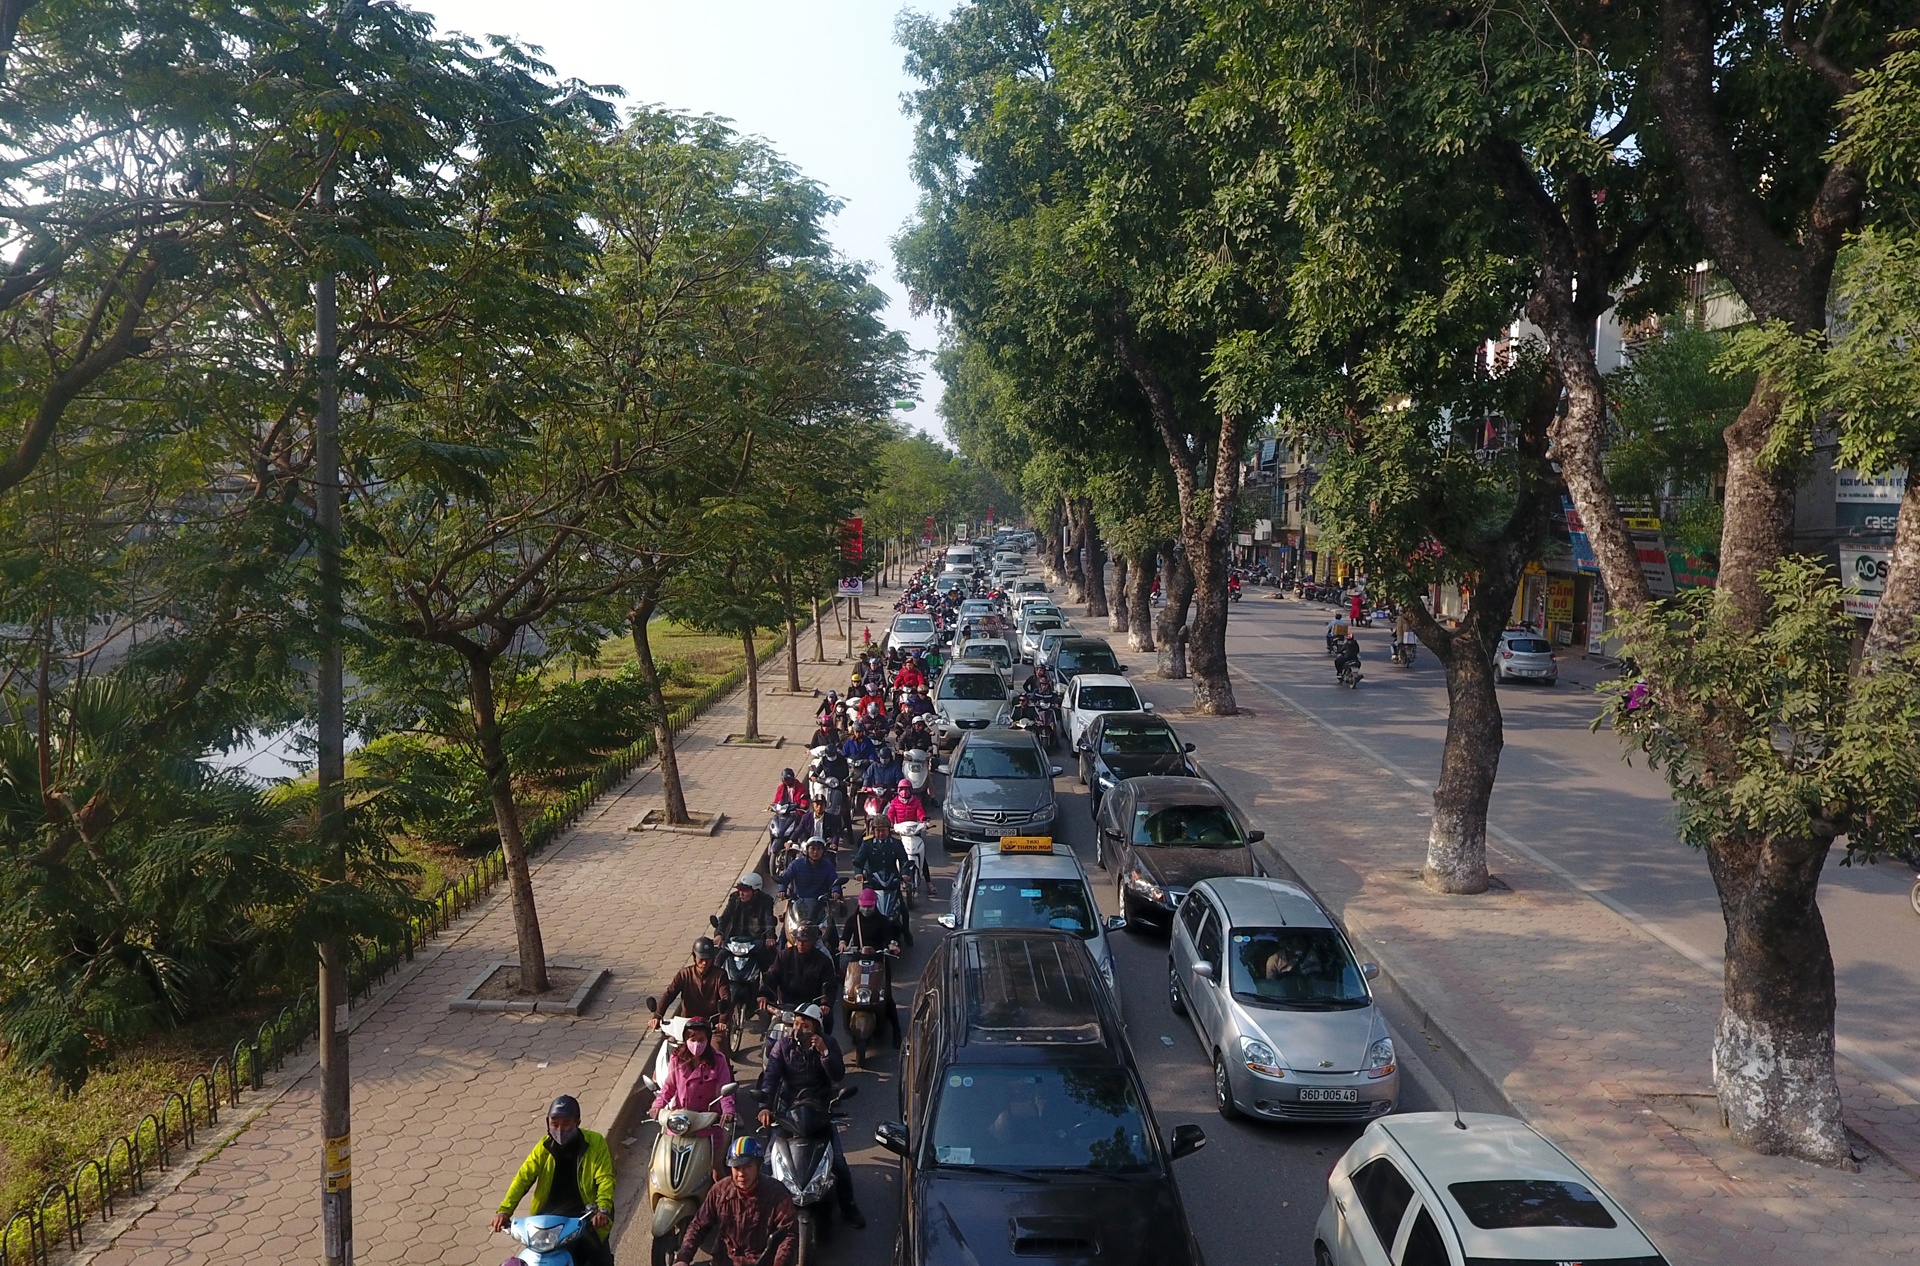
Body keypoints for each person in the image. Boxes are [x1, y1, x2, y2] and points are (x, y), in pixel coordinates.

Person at [757, 1004, 865, 1229]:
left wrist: (824, 1053)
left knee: (839, 1164)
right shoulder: (783, 1046)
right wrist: (765, 1106)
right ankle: (761, 1214)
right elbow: (771, 1077)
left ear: (816, 1028)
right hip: (788, 1112)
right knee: (767, 1164)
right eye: (796, 1024)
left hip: (819, 1111)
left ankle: (849, 1207)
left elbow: (838, 1074)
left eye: (805, 1026)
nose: (799, 1029)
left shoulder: (829, 1044)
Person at [492, 1094, 616, 1266]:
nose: (560, 1129)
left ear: (577, 1122)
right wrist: (504, 1210)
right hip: (547, 1219)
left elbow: (605, 1179)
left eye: (566, 1124)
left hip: (585, 1216)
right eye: (554, 1124)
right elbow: (522, 1178)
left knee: (599, 1258)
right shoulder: (544, 1147)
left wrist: (602, 1209)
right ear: (548, 1123)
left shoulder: (595, 1143)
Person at [675, 1137, 796, 1266]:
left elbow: (789, 1234)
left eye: (748, 1166)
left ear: (758, 1166)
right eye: (736, 1168)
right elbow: (698, 1225)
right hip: (723, 1261)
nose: (741, 1174)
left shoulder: (777, 1193)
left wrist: (780, 1263)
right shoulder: (720, 1191)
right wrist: (683, 1258)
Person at [653, 1015, 738, 1182]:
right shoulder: (677, 1059)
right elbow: (669, 1087)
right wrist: (657, 1105)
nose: (697, 1044)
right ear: (686, 1039)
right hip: (680, 1122)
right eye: (692, 1039)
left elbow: (725, 1091)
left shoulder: (718, 1060)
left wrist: (728, 1111)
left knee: (717, 1171)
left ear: (708, 1040)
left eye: (701, 1040)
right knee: (667, 1167)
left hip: (708, 1123)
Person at [836, 889, 904, 1045]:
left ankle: (896, 1030)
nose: (866, 909)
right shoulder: (853, 920)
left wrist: (892, 945)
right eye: (864, 906)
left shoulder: (882, 920)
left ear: (875, 905)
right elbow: (845, 937)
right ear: (859, 904)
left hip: (878, 960)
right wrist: (842, 944)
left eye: (869, 906)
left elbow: (889, 937)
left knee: (886, 996)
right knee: (848, 994)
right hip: (857, 961)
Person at [761, 924, 838, 1032]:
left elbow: (829, 984)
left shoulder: (823, 961)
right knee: (770, 1034)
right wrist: (763, 994)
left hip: (811, 1009)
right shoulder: (784, 955)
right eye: (799, 940)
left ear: (813, 941)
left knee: (827, 1026)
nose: (801, 944)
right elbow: (772, 975)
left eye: (805, 941)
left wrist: (825, 1003)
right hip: (786, 1007)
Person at [655, 938, 730, 1041]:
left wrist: (722, 1021)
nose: (704, 963)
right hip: (687, 1025)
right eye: (701, 958)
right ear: (694, 956)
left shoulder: (720, 975)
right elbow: (669, 994)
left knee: (718, 1045)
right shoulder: (684, 974)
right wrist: (657, 1016)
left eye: (708, 959)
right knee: (671, 1043)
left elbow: (726, 998)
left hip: (710, 1026)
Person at [715, 873, 779, 970]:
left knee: (771, 964)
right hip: (734, 940)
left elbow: (768, 919)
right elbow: (725, 917)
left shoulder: (766, 901)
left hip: (755, 941)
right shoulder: (734, 899)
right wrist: (719, 933)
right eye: (740, 890)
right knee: (717, 961)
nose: (741, 894)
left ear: (756, 891)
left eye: (745, 890)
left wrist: (770, 937)